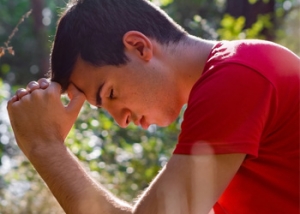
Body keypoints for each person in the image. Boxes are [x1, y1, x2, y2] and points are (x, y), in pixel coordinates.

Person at [7, 0, 299, 213]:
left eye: (109, 93)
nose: (121, 120)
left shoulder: (238, 76)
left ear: (139, 46)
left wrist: (45, 147)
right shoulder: (231, 82)